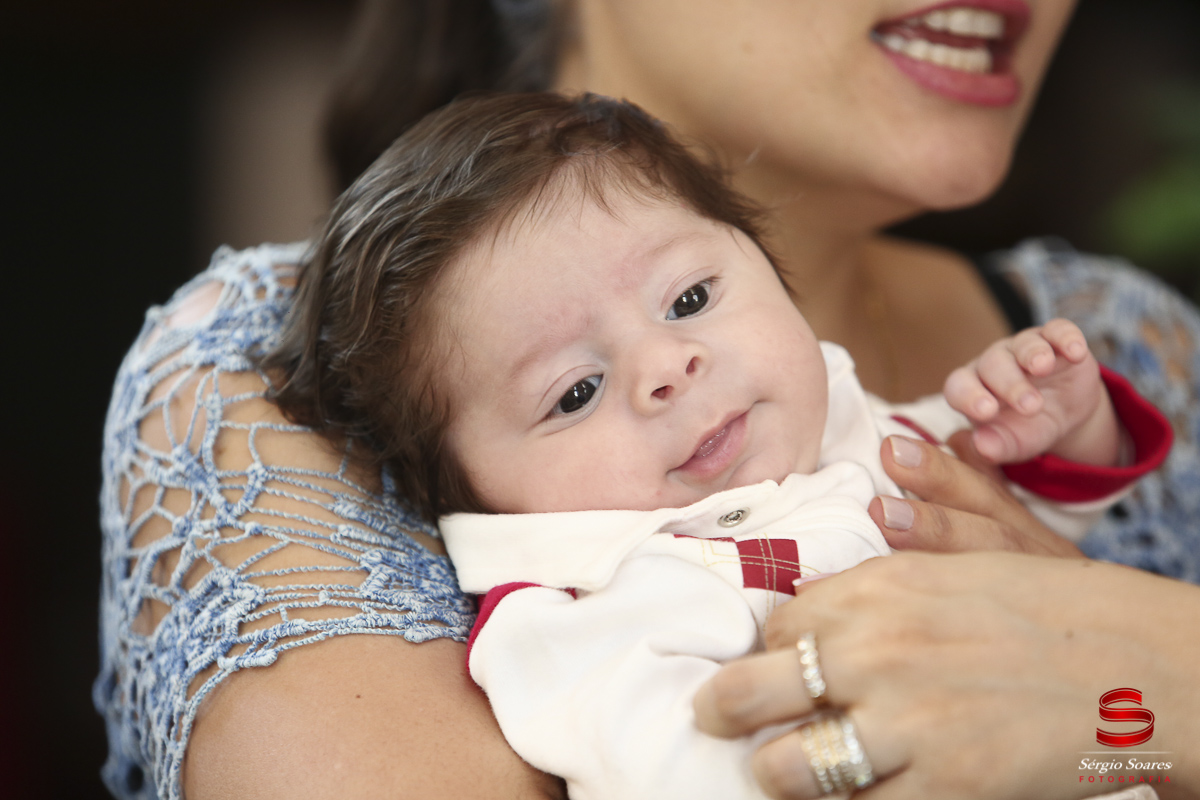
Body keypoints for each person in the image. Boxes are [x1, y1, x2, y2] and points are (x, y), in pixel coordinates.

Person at [95, 1, 1200, 799]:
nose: (666, 367)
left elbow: (1024, 513)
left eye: (694, 295)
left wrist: (1074, 453)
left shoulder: (1105, 342)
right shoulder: (290, 383)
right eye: (574, 390)